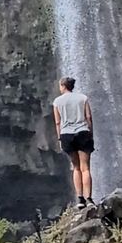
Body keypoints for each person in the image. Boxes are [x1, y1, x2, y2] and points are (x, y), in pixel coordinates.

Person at [53, 76, 94, 208]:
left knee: (76, 167)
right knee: (85, 168)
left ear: (63, 86)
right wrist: (90, 133)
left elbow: (58, 122)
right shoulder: (83, 98)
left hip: (66, 135)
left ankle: (80, 200)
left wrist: (60, 138)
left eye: (60, 85)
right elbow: (88, 117)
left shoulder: (57, 102)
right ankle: (89, 199)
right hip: (83, 132)